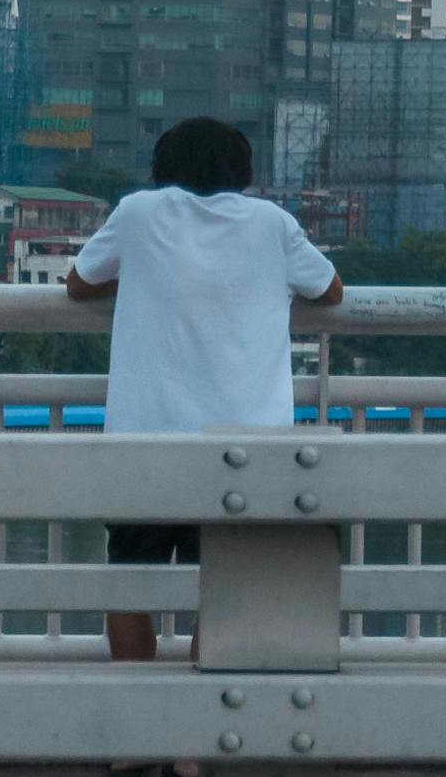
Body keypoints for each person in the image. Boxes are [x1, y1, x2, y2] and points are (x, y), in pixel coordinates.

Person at [62, 116, 343, 690]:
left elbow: (79, 283)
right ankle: (199, 722)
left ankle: (137, 718)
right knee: (222, 590)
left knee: (129, 583)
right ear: (242, 170)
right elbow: (330, 291)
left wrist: (140, 278)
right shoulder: (272, 223)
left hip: (144, 441)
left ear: (163, 167)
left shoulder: (138, 213)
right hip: (242, 447)